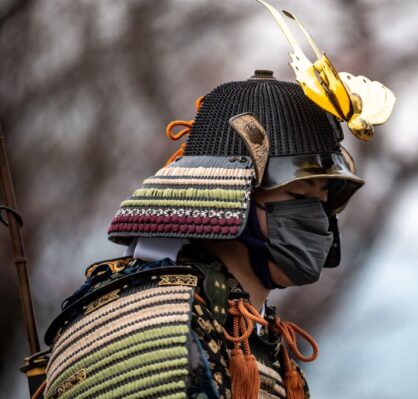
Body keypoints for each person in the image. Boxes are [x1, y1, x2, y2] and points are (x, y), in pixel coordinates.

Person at [40, 4, 395, 398]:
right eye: (297, 194)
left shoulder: (252, 331)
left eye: (324, 199)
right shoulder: (151, 321)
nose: (316, 217)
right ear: (232, 195)